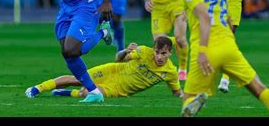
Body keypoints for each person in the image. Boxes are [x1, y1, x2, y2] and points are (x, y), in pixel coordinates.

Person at [27, 36, 182, 98]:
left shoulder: (170, 72)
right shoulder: (143, 51)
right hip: (113, 70)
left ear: (170, 53)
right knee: (77, 79)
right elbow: (119, 59)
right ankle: (38, 88)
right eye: (157, 52)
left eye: (163, 53)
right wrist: (124, 51)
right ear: (153, 49)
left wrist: (188, 98)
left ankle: (68, 94)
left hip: (118, 90)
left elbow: (177, 92)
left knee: (90, 94)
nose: (159, 57)